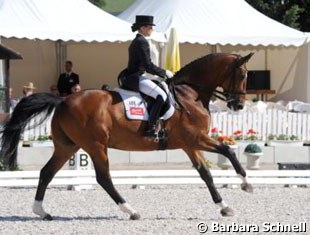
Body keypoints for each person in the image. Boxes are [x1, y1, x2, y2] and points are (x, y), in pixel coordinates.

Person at [121, 15, 174, 138]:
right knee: (161, 96)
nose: (152, 29)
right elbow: (148, 65)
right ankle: (150, 128)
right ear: (143, 27)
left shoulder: (138, 40)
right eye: (150, 27)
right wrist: (164, 72)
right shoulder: (141, 42)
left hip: (139, 75)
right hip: (136, 77)